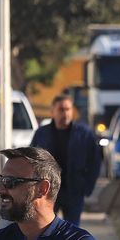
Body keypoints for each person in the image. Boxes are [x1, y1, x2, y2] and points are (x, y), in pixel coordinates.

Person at [32, 95, 103, 223]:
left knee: (72, 231)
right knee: (46, 227)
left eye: (68, 109)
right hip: (48, 191)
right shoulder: (42, 133)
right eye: (61, 109)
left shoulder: (84, 134)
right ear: (52, 112)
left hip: (74, 190)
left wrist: (88, 186)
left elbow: (95, 161)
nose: (65, 113)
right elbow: (32, 160)